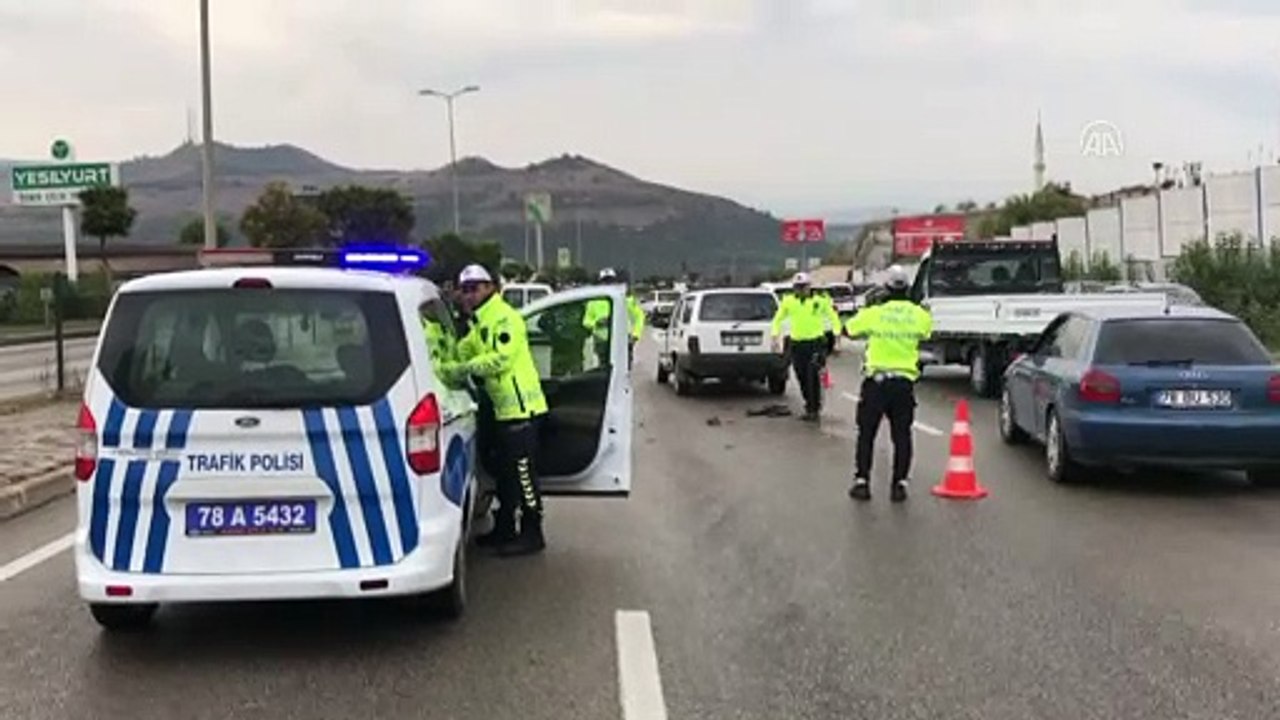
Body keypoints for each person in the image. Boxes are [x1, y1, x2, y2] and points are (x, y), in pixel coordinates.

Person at [444, 264, 549, 556]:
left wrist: (461, 369)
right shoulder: (479, 323)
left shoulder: (504, 318)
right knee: (505, 476)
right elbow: (461, 351)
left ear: (491, 288)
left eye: (474, 288)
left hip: (522, 411)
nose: (468, 295)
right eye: (464, 289)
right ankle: (504, 527)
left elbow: (500, 359)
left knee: (524, 475)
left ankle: (532, 531)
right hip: (503, 412)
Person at [843, 265, 932, 502]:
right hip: (903, 384)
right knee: (902, 435)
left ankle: (862, 481)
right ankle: (899, 485)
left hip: (877, 382)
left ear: (887, 288)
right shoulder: (918, 315)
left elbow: (849, 330)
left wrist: (868, 311)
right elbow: (926, 332)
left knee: (867, 433)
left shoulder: (875, 313)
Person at [770, 272, 840, 422]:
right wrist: (775, 336)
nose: (801, 290)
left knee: (812, 376)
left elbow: (834, 318)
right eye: (798, 287)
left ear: (809, 287)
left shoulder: (820, 301)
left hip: (815, 343)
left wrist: (837, 338)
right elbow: (777, 319)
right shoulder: (788, 302)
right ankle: (809, 404)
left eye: (804, 287)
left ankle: (814, 408)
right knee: (801, 376)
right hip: (797, 344)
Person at [584, 268, 645, 367]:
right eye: (605, 282)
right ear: (600, 284)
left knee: (623, 370)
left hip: (622, 340)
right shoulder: (593, 302)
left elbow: (639, 317)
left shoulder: (626, 299)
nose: (607, 284)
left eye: (610, 281)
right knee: (604, 370)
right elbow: (586, 321)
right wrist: (597, 322)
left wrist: (635, 335)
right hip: (602, 341)